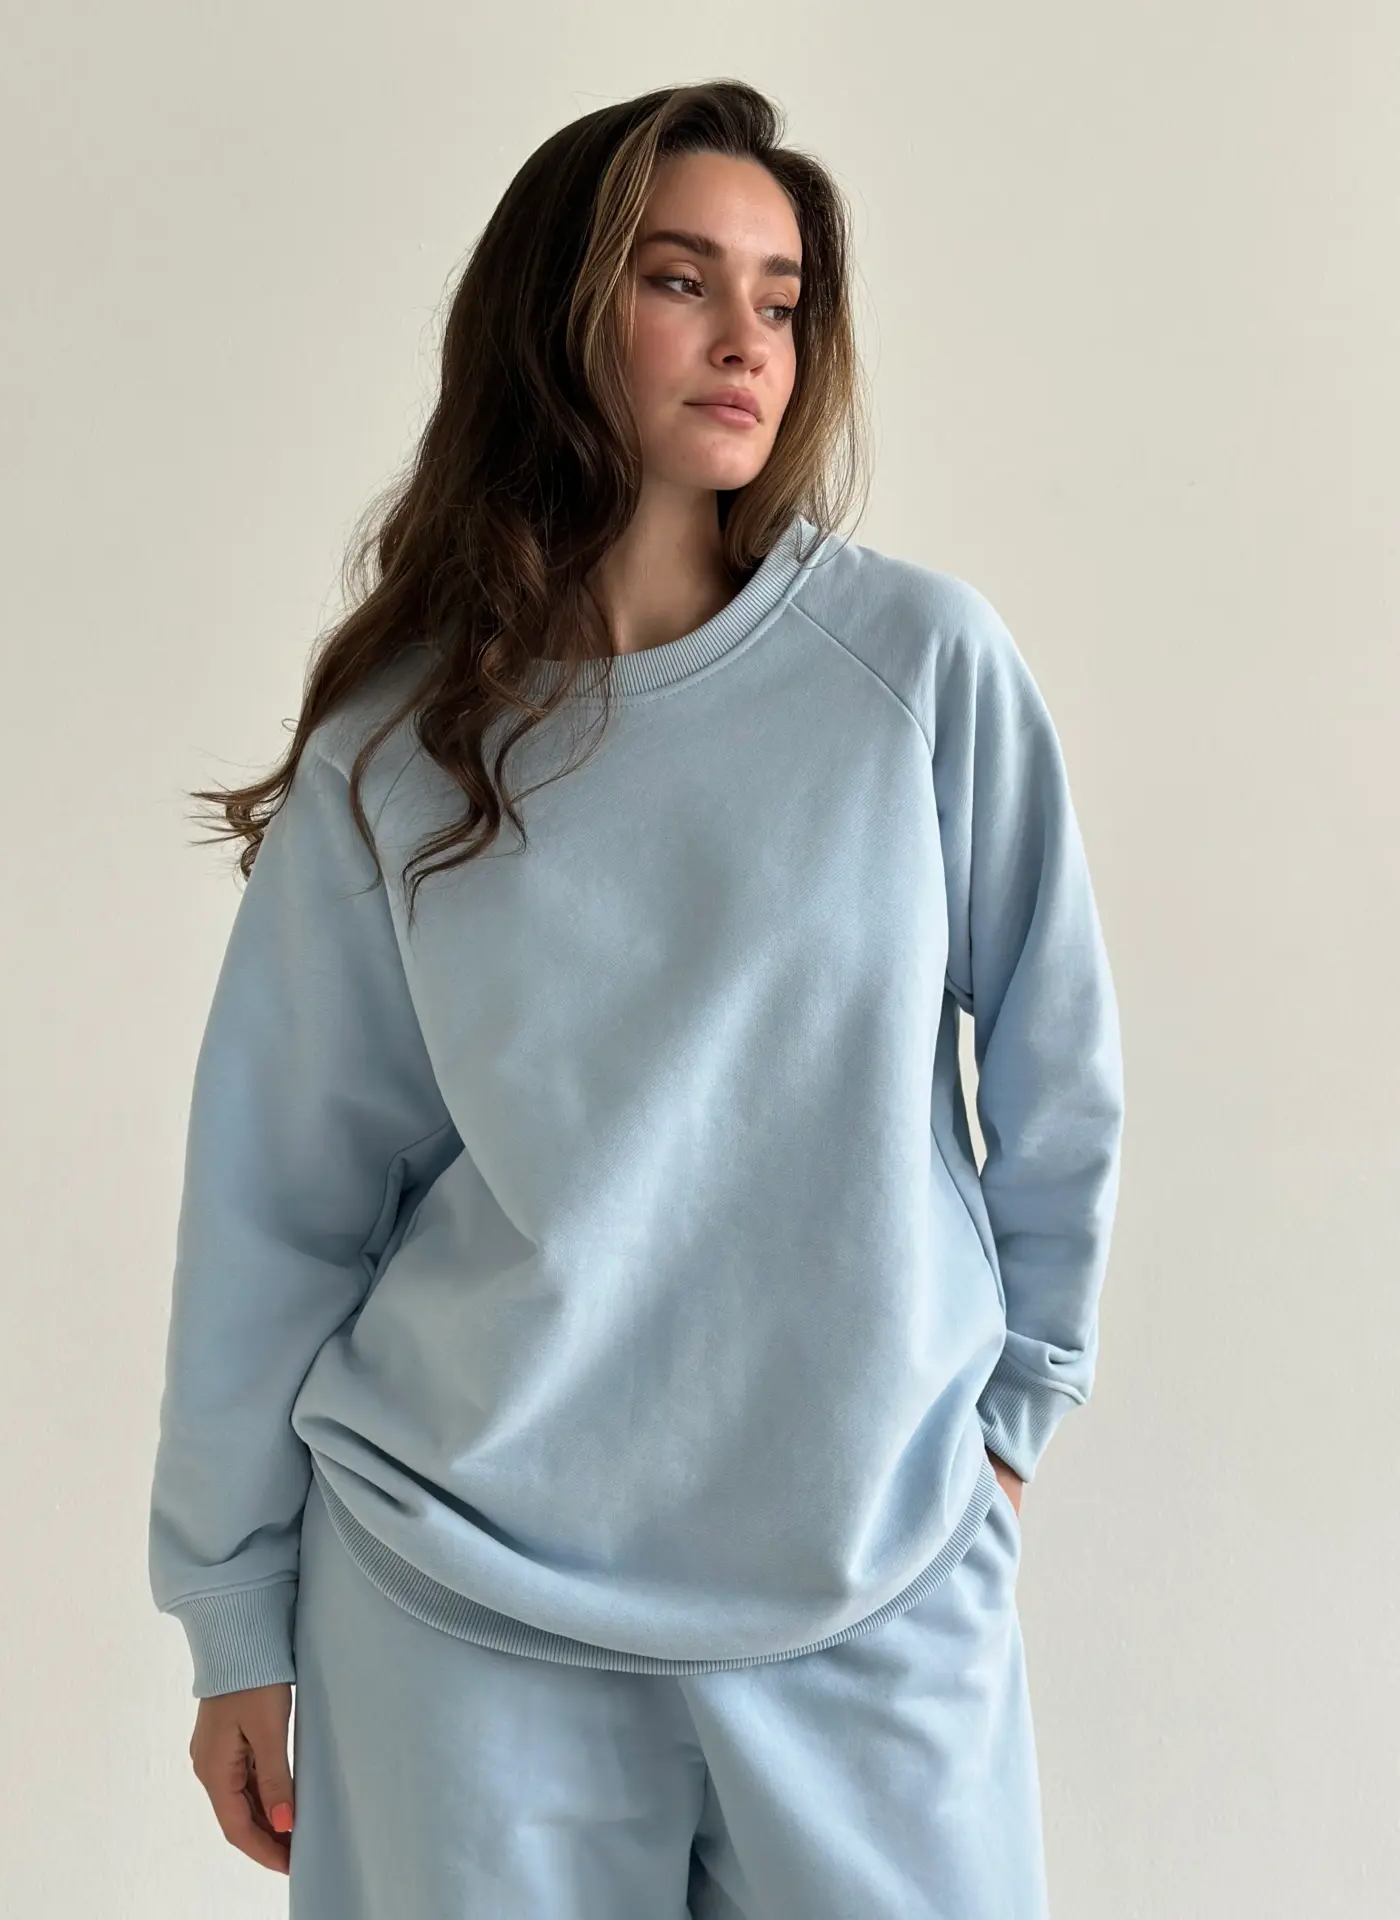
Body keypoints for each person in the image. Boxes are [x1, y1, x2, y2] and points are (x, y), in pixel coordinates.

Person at [148, 78, 1124, 1919]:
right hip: (455, 1595)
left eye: (782, 296)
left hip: (871, 1579)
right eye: (684, 280)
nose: (748, 337)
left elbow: (1059, 1074)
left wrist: (1012, 1419)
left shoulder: (917, 668)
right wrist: (232, 1613)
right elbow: (279, 1200)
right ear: (560, 314)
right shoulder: (399, 748)